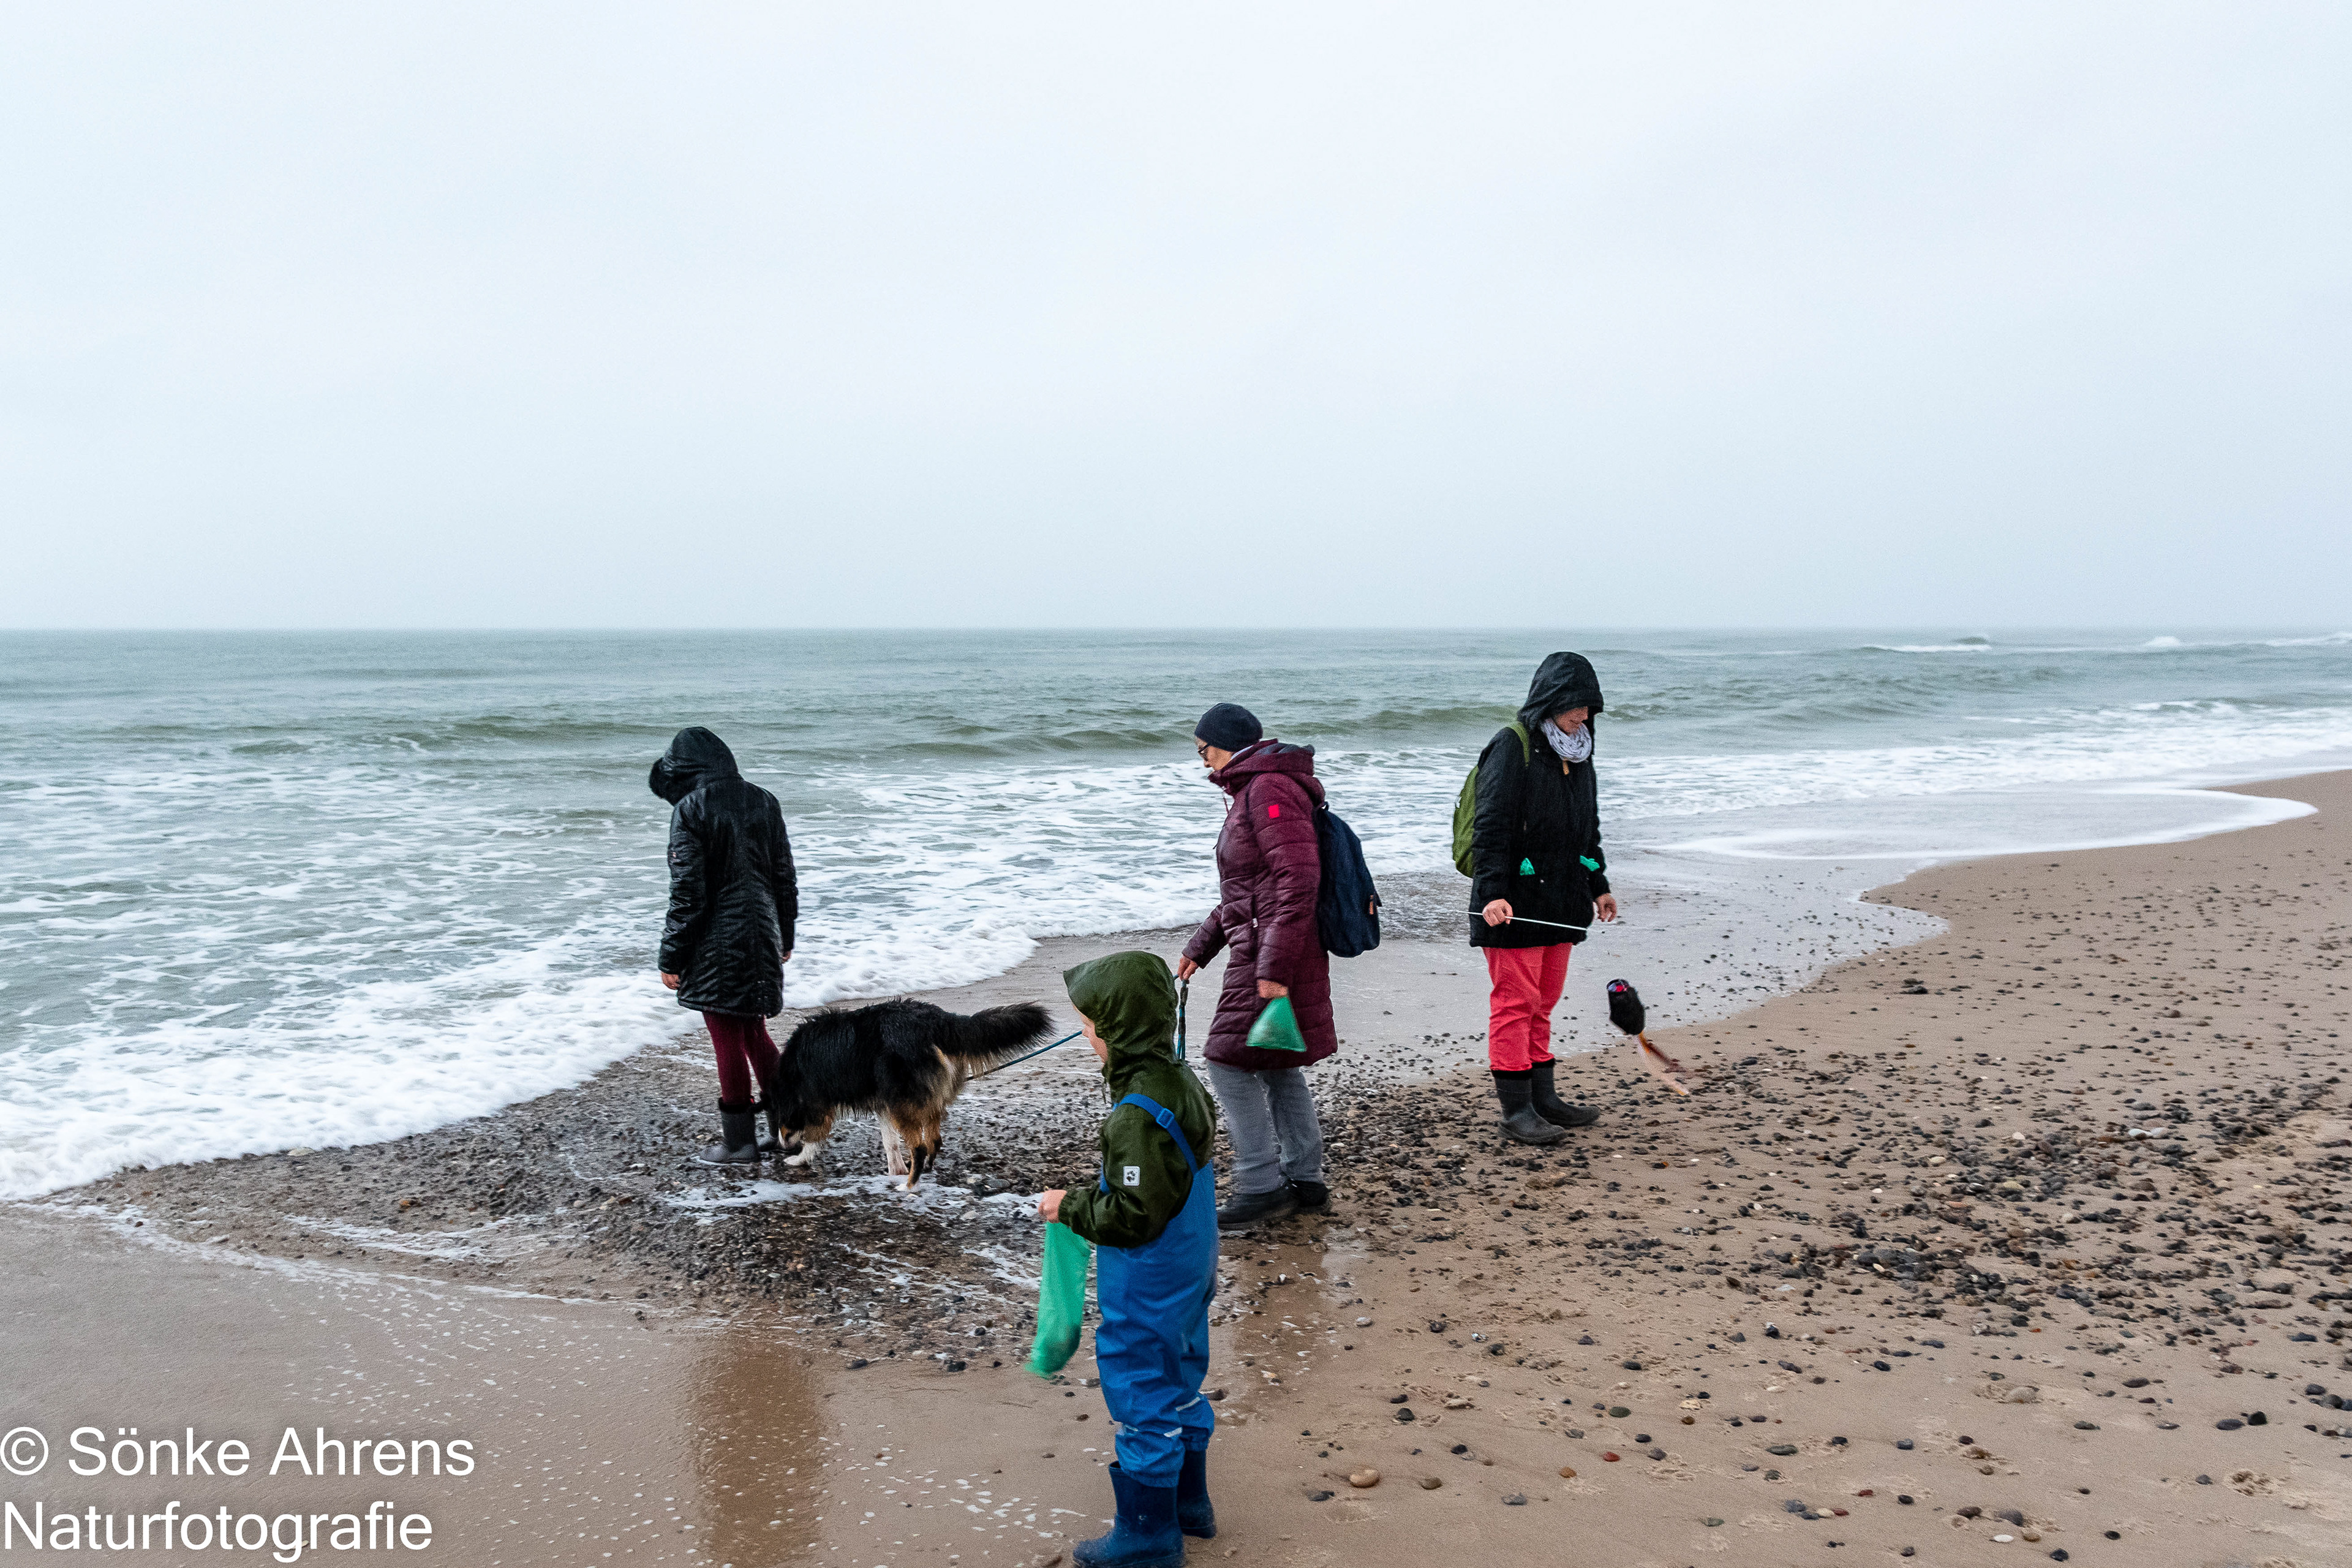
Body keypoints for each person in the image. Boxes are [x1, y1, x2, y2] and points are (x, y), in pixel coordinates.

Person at [1039, 951, 1221, 1568]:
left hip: (1151, 1275)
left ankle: (1149, 1537)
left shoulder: (1135, 1115)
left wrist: (1069, 1206)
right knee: (1181, 1371)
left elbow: (1134, 1214)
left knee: (1141, 1384)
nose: (1084, 1035)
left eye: (1089, 1024)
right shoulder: (1181, 1078)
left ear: (1118, 1030)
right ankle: (1189, 1504)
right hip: (1194, 1264)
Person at [1173, 703, 1335, 1229]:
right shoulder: (1256, 789)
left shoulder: (1267, 789)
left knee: (1228, 1060)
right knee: (1276, 1060)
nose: (1203, 762)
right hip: (1267, 945)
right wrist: (1200, 948)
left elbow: (1298, 881)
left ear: (1225, 744)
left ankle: (1261, 1185)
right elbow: (1245, 892)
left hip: (1270, 951)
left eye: (1204, 750)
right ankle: (1305, 1180)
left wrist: (1273, 968)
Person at [1467, 652, 1619, 1144]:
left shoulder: (1580, 751)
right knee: (1516, 1002)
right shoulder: (1512, 747)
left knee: (1544, 1001)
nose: (1584, 715)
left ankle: (1543, 1098)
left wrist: (1599, 885)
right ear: (1551, 700)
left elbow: (1587, 828)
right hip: (1513, 903)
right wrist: (1492, 892)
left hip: (1562, 901)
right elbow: (1490, 826)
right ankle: (1516, 1111)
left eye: (1590, 707)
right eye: (1576, 705)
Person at [648, 726, 799, 1166]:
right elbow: (784, 876)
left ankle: (738, 1143)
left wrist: (671, 956)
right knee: (753, 1031)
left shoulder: (692, 808)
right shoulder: (764, 800)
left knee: (726, 1035)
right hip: (762, 931)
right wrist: (785, 934)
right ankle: (788, 1133)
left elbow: (688, 893)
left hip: (716, 940)